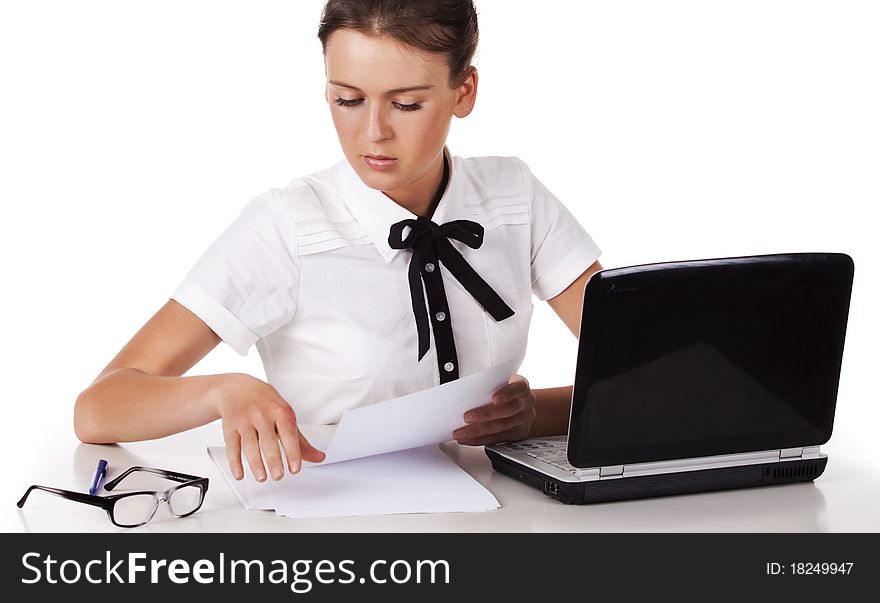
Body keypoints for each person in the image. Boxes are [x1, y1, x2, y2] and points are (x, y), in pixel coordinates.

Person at [74, 0, 603, 484]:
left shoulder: (513, 196)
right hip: (336, 529)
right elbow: (99, 407)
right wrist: (222, 391)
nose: (372, 131)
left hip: (503, 518)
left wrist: (537, 412)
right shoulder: (286, 226)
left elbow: (652, 371)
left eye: (407, 104)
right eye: (347, 99)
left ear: (463, 91)